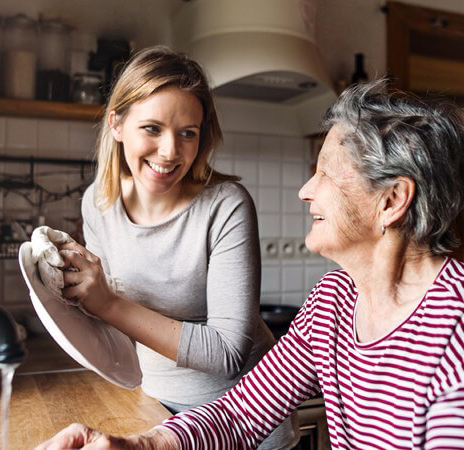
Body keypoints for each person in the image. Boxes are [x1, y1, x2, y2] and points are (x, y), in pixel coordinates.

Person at [38, 80, 464, 449]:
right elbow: (242, 410)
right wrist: (142, 444)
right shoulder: (334, 301)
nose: (304, 190)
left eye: (323, 173)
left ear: (391, 201)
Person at [52, 46, 297, 449]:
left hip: (243, 424)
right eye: (152, 128)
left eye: (188, 133)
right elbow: (110, 327)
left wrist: (108, 303)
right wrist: (72, 293)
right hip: (156, 409)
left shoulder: (226, 205)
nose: (170, 152)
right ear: (116, 124)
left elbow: (227, 354)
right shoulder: (99, 203)